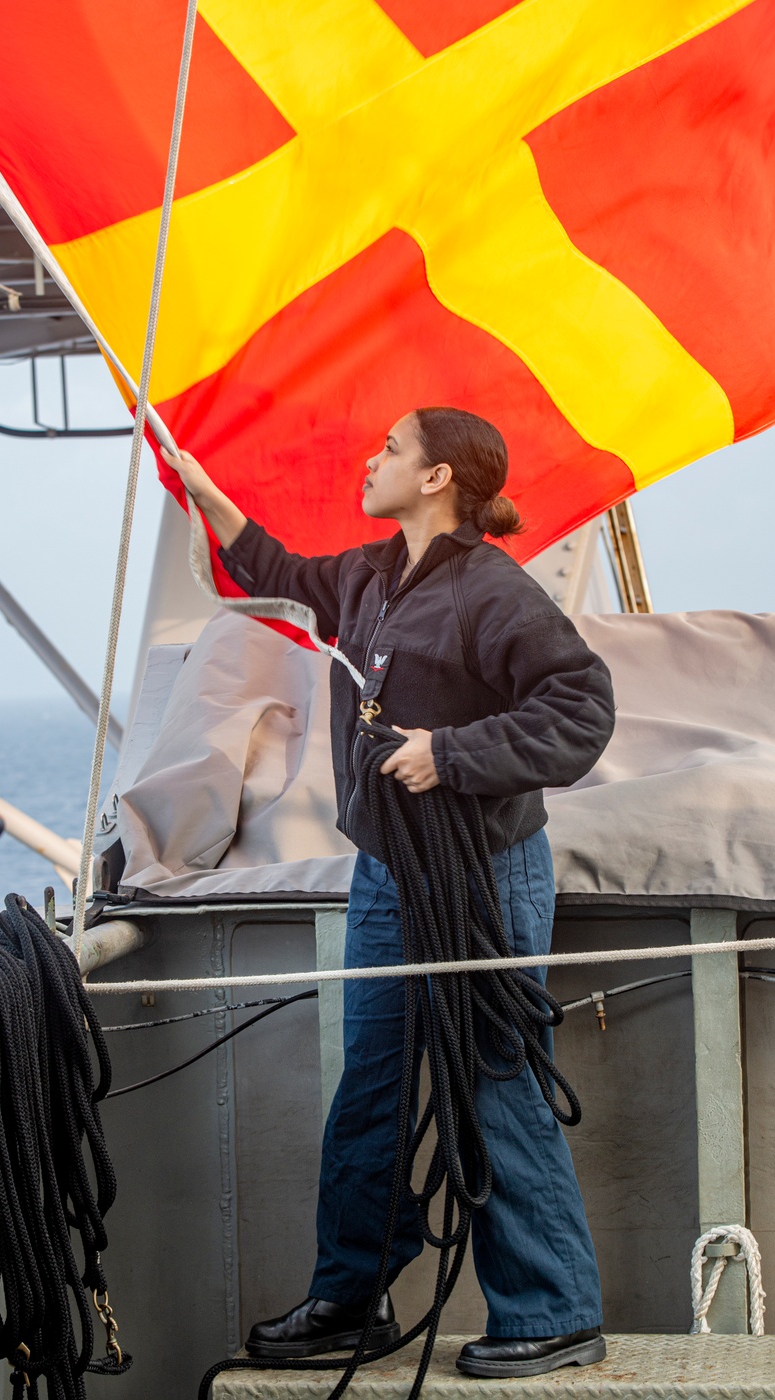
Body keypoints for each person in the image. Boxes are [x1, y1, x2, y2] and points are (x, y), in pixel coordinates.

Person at [161, 406, 615, 1379]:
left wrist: (449, 753)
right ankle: (349, 1297)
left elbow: (581, 705)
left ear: (439, 476)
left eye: (389, 450)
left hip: (479, 875)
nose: (369, 460)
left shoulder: (493, 592)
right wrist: (207, 498)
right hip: (387, 871)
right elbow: (279, 573)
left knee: (489, 1076)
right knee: (368, 1081)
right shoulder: (366, 576)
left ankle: (554, 1306)